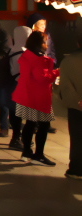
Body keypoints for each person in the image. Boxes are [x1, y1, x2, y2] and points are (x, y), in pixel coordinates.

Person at [14, 31, 60, 165]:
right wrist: (57, 72)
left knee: (30, 123)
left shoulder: (26, 55)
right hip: (39, 97)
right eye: (45, 42)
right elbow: (42, 78)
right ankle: (39, 154)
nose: (47, 44)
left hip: (27, 95)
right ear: (40, 44)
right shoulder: (40, 59)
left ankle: (27, 151)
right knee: (44, 125)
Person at [58, 32, 82, 179]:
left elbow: (65, 87)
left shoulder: (68, 61)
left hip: (76, 107)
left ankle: (76, 169)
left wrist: (77, 101)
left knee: (77, 137)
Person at [7, 22, 33, 149]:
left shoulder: (12, 50)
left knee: (15, 112)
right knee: (22, 113)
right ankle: (19, 138)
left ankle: (17, 136)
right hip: (22, 86)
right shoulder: (23, 53)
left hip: (13, 85)